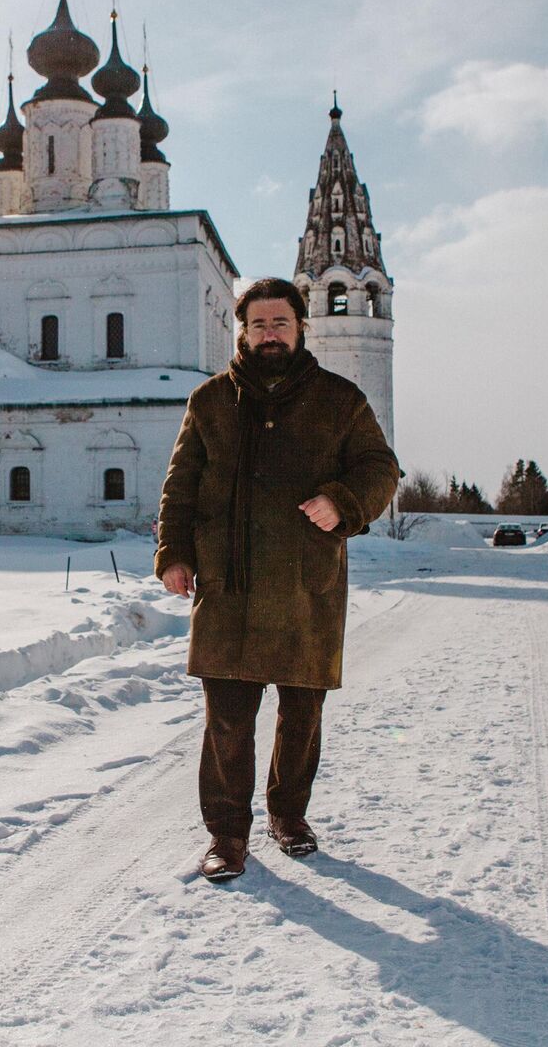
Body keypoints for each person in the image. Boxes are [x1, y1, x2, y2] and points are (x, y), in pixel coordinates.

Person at [155, 277, 399, 882]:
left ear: (300, 328)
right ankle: (227, 836)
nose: (269, 334)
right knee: (228, 720)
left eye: (280, 324)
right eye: (258, 324)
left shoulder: (340, 400)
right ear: (243, 331)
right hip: (228, 585)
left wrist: (343, 501)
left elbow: (381, 469)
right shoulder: (210, 401)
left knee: (301, 714)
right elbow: (180, 485)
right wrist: (174, 554)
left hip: (303, 584)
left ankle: (288, 815)